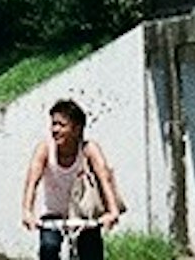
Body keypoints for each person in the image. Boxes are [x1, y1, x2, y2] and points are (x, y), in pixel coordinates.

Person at [19, 98, 124, 260]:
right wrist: (27, 211)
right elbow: (32, 181)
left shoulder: (89, 149)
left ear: (76, 129)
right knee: (49, 248)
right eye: (53, 124)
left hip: (84, 216)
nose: (55, 130)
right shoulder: (45, 149)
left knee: (92, 253)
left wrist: (112, 211)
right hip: (53, 215)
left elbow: (105, 178)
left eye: (61, 125)